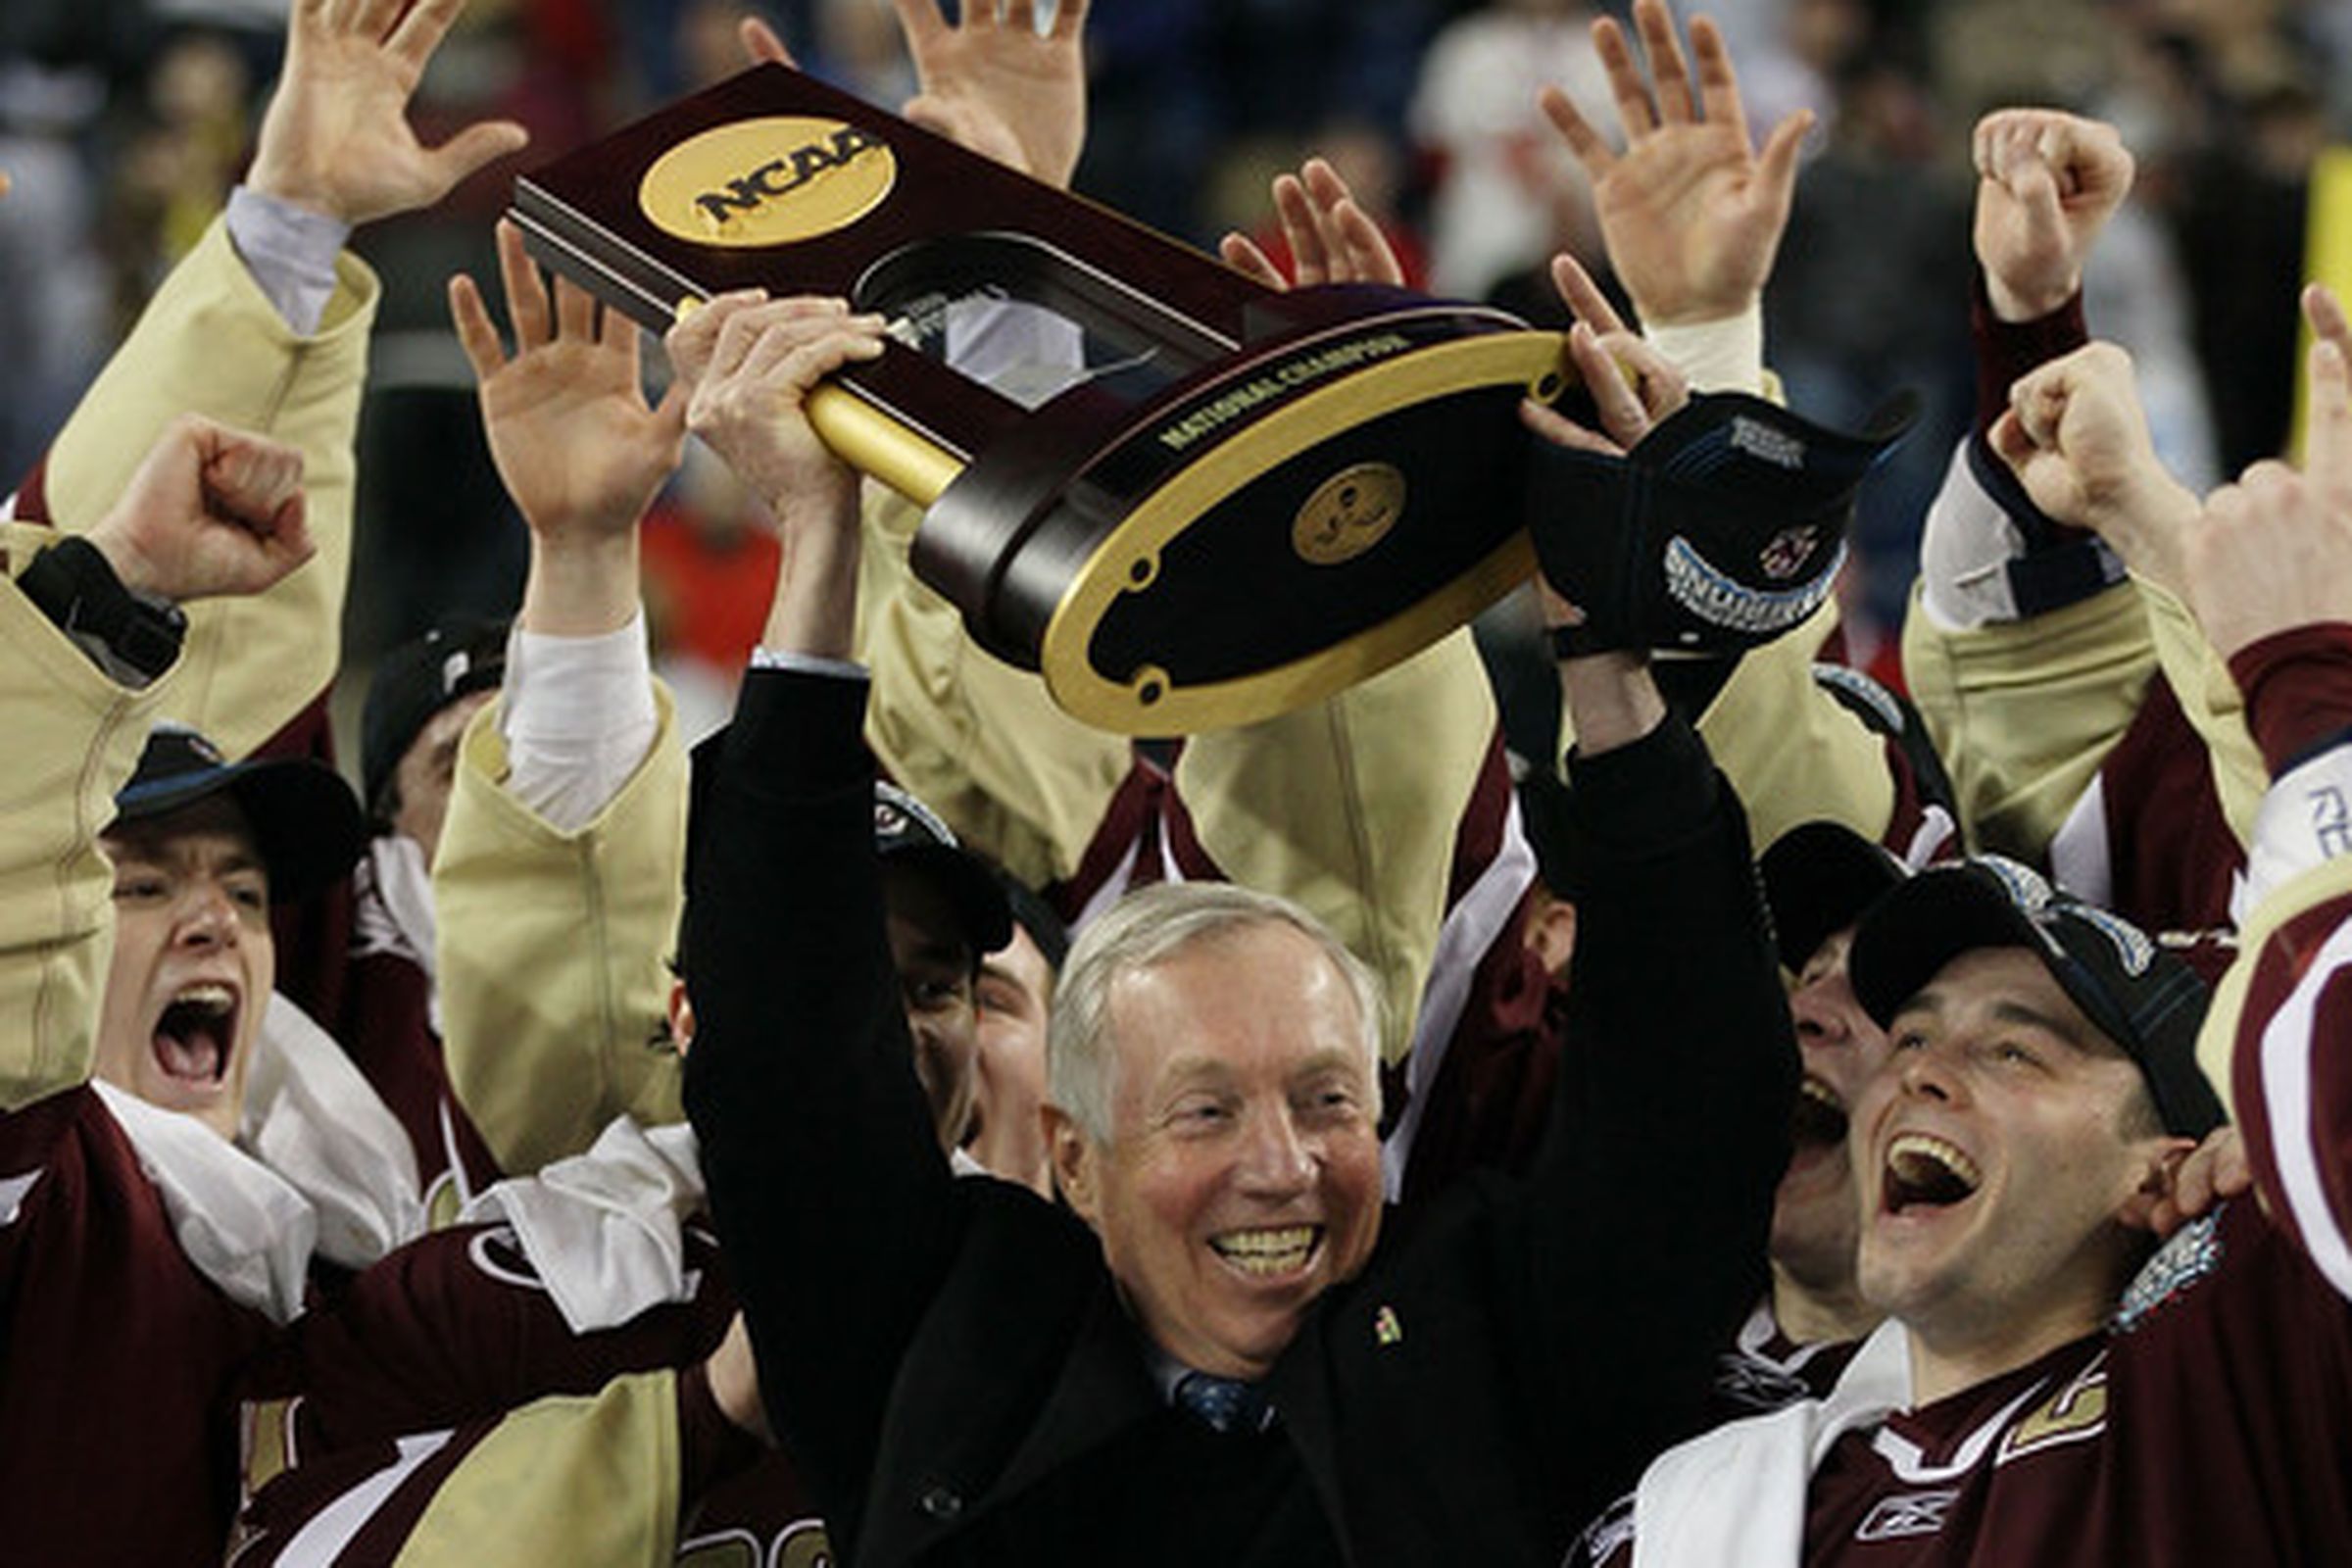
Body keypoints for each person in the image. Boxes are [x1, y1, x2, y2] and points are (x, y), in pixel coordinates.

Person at [670, 209, 1798, 1559]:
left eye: (1330, 1099)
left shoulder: (1486, 1343)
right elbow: (782, 1057)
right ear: (1075, 1163)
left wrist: (1599, 640)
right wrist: (816, 536)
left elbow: (1694, 1092)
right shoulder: (957, 1339)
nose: (1284, 1168)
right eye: (1204, 1109)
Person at [1585, 290, 2352, 1567]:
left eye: (2018, 1049)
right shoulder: (1684, 1515)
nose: (1916, 1067)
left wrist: (2303, 665)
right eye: (1919, 1033)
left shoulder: (2240, 1386)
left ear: (2166, 1170)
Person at [0, 415, 344, 1559]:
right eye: (144, 887)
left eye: (246, 896)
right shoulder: (38, 1216)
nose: (214, 920)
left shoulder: (360, 1239)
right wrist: (111, 593)